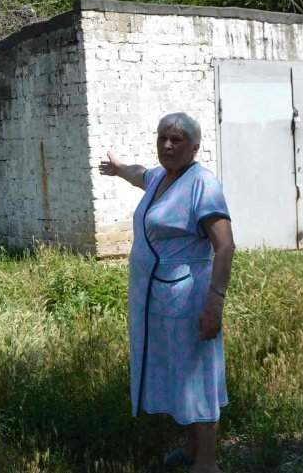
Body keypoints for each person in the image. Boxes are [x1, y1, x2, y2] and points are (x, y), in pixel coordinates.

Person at [99, 112, 236, 473]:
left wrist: (215, 304)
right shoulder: (160, 177)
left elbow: (225, 246)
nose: (168, 145)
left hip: (190, 299)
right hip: (160, 301)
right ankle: (191, 451)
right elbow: (137, 174)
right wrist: (118, 167)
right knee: (180, 375)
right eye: (163, 138)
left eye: (176, 140)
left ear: (195, 147)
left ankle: (207, 462)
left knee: (198, 376)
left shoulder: (202, 184)